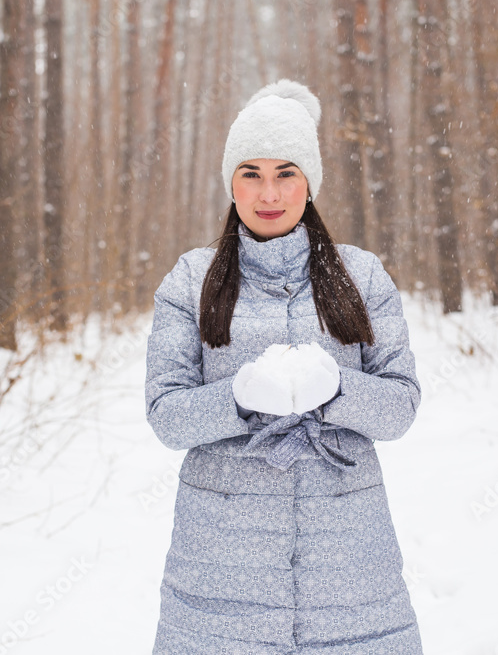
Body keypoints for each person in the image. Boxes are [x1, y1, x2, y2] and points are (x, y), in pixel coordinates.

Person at [145, 79, 424, 654]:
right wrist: (239, 397)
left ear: (310, 182)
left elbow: (400, 407)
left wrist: (338, 390)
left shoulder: (362, 276)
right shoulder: (190, 281)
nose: (268, 192)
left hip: (350, 569)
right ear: (231, 182)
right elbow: (167, 415)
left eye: (285, 172)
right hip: (219, 571)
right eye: (250, 173)